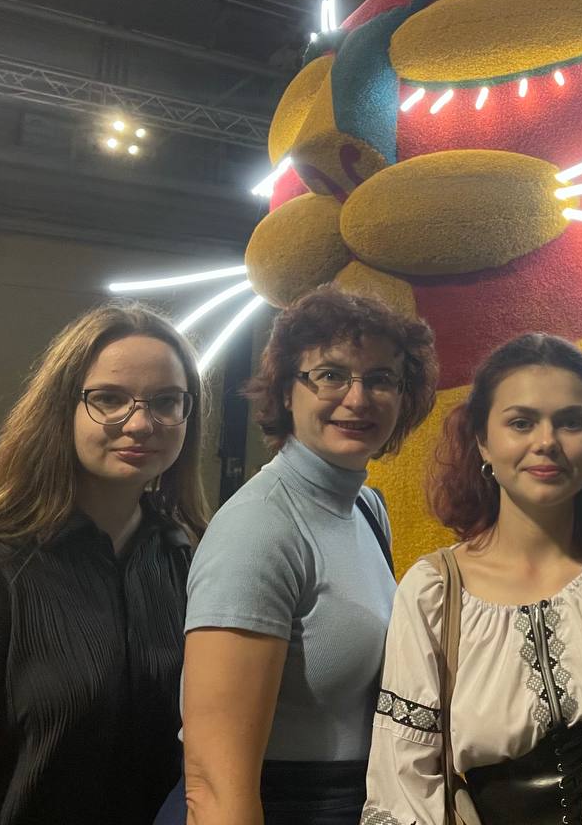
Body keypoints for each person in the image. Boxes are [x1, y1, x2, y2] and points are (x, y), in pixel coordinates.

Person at [0, 303, 207, 825]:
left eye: (166, 401)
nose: (140, 423)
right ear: (61, 408)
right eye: (108, 398)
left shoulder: (187, 560)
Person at [362, 333, 582, 825]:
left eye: (571, 422)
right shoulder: (435, 592)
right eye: (521, 422)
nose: (546, 442)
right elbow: (405, 780)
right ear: (483, 440)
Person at [178, 286, 437, 825]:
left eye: (381, 378)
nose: (358, 399)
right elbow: (212, 787)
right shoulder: (259, 527)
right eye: (330, 374)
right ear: (285, 390)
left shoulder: (366, 508)